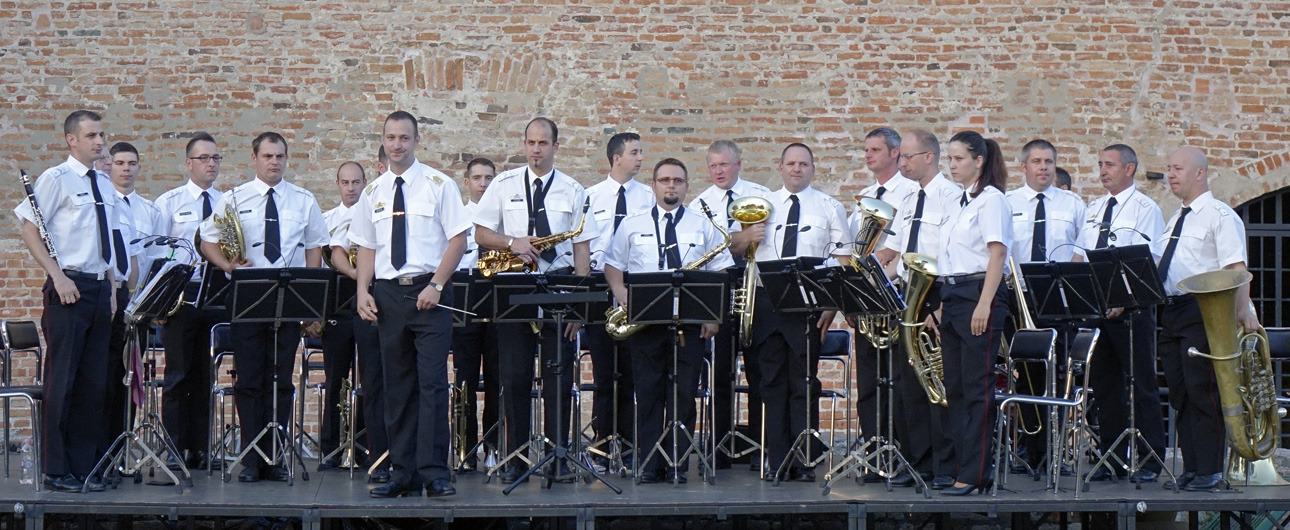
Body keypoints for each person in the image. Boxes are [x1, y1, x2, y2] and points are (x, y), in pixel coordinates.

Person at [349, 111, 470, 498]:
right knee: (396, 386)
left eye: (404, 138)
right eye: (391, 137)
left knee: (432, 384)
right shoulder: (372, 192)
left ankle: (434, 473)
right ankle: (401, 472)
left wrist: (437, 284)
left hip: (429, 292)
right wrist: (363, 291)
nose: (397, 144)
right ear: (383, 140)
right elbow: (367, 246)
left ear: (417, 140)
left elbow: (458, 240)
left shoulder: (439, 185)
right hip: (388, 294)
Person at [472, 117, 599, 484]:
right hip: (515, 284)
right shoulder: (503, 184)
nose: (536, 150)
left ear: (556, 146)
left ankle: (559, 458)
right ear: (524, 144)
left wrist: (578, 306)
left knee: (559, 376)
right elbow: (480, 232)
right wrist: (512, 243)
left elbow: (582, 249)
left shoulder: (573, 189)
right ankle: (516, 459)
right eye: (530, 142)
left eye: (543, 143)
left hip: (559, 284)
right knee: (514, 376)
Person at [199, 132, 329, 483]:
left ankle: (276, 456)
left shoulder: (303, 200)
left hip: (288, 297)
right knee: (250, 379)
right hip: (248, 296)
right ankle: (252, 457)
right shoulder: (233, 198)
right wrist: (227, 266)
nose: (274, 162)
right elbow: (208, 240)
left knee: (282, 380)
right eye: (268, 156)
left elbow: (315, 247)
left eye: (280, 156)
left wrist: (310, 298)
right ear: (254, 158)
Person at [15, 110, 125, 493]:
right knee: (63, 381)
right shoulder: (55, 178)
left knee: (94, 385)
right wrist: (57, 276)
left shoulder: (104, 183)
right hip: (68, 287)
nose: (99, 141)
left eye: (101, 134)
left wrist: (112, 288)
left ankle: (83, 468)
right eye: (91, 135)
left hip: (98, 288)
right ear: (72, 140)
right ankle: (55, 469)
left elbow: (106, 241)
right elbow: (30, 230)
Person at [604, 158, 733, 483]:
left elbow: (720, 271)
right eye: (664, 180)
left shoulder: (702, 225)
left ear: (687, 186)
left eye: (677, 180)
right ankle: (649, 463)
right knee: (648, 393)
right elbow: (613, 264)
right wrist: (621, 293)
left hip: (689, 323)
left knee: (684, 394)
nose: (671, 185)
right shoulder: (632, 224)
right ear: (654, 185)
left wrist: (713, 316)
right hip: (645, 322)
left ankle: (677, 463)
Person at [748, 143, 852, 482]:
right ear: (780, 168)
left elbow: (844, 259)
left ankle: (805, 460)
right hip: (767, 302)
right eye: (791, 163)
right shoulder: (761, 205)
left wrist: (832, 305)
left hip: (808, 305)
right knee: (771, 383)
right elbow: (737, 248)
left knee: (805, 383)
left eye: (803, 164)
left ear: (812, 169)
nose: (797, 169)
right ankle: (776, 459)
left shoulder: (829, 207)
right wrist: (746, 235)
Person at [1156, 146, 1255, 492]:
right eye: (1169, 168)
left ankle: (1210, 470)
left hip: (1203, 310)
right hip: (1172, 311)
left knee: (1203, 391)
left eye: (1178, 168)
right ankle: (1193, 467)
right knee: (1180, 393)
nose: (1170, 174)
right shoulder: (1175, 219)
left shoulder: (1219, 215)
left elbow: (1236, 268)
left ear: (1199, 173)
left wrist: (1244, 311)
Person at [873, 128, 962, 489]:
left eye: (908, 157)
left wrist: (941, 307)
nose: (903, 163)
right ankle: (919, 463)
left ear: (929, 157)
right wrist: (877, 285)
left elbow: (953, 254)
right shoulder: (909, 199)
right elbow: (899, 256)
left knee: (937, 380)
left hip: (937, 292)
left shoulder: (952, 197)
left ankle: (945, 466)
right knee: (908, 382)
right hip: (909, 293)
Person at [1074, 144, 1167, 484]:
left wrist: (1125, 299)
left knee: (1141, 383)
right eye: (1100, 164)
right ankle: (1111, 457)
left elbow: (1150, 259)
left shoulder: (1145, 208)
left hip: (1131, 311)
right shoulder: (1094, 208)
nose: (1102, 170)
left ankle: (1150, 457)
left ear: (1129, 169)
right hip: (1097, 309)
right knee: (1104, 386)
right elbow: (1080, 254)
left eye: (1110, 165)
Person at [687, 139, 772, 470]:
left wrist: (741, 240)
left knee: (759, 371)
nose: (718, 171)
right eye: (713, 166)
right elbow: (712, 247)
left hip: (756, 288)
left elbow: (767, 240)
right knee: (719, 373)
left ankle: (759, 447)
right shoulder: (699, 204)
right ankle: (719, 448)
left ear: (738, 164)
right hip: (719, 288)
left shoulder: (761, 196)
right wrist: (742, 238)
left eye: (724, 164)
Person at [936, 130, 1012, 495]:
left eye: (959, 159)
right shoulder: (958, 202)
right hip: (954, 293)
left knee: (976, 386)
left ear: (978, 161)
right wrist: (941, 303)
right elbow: (951, 256)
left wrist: (984, 303)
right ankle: (959, 467)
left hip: (979, 293)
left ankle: (976, 472)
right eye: (949, 159)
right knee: (955, 387)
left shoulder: (992, 200)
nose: (952, 165)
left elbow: (997, 253)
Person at [1002, 139, 1086, 472]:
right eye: (1037, 162)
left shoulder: (1072, 203)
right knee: (1025, 372)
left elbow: (1082, 250)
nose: (1044, 168)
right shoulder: (1007, 203)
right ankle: (1029, 446)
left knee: (1059, 373)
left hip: (1057, 296)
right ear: (1024, 167)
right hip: (1020, 295)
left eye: (1049, 162)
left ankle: (1056, 449)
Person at [849, 127, 919, 483]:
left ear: (895, 153)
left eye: (875, 149)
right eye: (866, 149)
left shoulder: (909, 193)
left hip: (895, 293)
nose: (868, 155)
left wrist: (879, 271)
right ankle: (875, 454)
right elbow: (854, 249)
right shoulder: (865, 196)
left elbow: (902, 247)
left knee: (897, 380)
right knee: (869, 383)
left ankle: (902, 454)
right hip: (867, 298)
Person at [155, 132, 226, 471]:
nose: (211, 164)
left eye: (215, 158)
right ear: (188, 163)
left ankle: (200, 447)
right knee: (178, 374)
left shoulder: (227, 202)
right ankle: (174, 446)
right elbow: (157, 253)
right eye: (204, 158)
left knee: (205, 375)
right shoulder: (169, 203)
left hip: (216, 295)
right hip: (182, 297)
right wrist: (159, 301)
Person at [583, 132, 654, 471]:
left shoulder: (649, 197)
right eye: (634, 152)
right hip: (599, 283)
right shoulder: (590, 196)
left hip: (633, 284)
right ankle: (602, 443)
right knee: (603, 369)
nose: (640, 158)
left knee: (630, 369)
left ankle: (628, 444)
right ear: (617, 158)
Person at [317, 161, 387, 480]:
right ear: (337, 184)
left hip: (372, 304)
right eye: (345, 182)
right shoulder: (327, 220)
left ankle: (364, 446)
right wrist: (357, 274)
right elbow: (332, 256)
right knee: (336, 378)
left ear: (364, 182)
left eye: (356, 182)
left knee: (369, 378)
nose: (351, 188)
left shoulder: (374, 213)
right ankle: (331, 448)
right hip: (338, 308)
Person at [104, 141, 162, 451]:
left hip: (138, 301)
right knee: (106, 372)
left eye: (132, 163)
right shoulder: (104, 204)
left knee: (130, 373)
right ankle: (102, 445)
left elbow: (155, 256)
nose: (126, 169)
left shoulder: (150, 210)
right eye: (120, 163)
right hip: (111, 294)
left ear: (139, 167)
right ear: (109, 166)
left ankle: (121, 444)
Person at [450, 157, 501, 472]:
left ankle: (494, 447)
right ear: (467, 182)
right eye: (477, 178)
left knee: (497, 378)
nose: (483, 184)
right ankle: (464, 449)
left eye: (488, 178)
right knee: (464, 379)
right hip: (464, 301)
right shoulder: (457, 215)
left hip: (496, 302)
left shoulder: (503, 218)